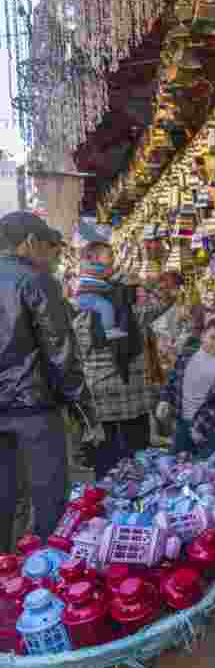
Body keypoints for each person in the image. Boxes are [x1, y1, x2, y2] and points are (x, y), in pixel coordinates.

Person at [0, 211, 91, 553]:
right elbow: (60, 353)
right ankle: (47, 576)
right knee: (49, 498)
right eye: (48, 248)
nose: (53, 257)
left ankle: (7, 576)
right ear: (29, 243)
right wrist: (83, 411)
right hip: (33, 408)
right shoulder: (36, 281)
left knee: (4, 497)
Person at [71, 242, 174, 479]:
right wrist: (141, 281)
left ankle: (106, 506)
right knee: (137, 465)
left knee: (106, 467)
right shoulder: (133, 314)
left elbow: (73, 359)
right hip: (132, 401)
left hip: (101, 402)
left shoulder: (77, 314)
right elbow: (166, 300)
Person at [156, 319, 215, 459]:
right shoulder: (187, 356)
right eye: (213, 337)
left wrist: (200, 427)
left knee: (206, 468)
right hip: (183, 423)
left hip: (210, 428)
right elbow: (173, 380)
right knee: (175, 465)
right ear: (203, 336)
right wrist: (165, 400)